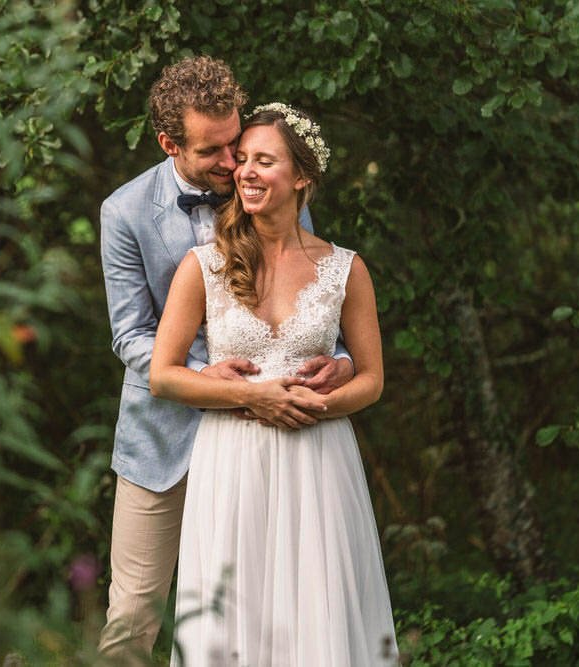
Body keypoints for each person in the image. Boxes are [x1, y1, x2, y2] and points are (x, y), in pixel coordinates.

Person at [99, 57, 355, 664]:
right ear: (169, 144)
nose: (232, 163)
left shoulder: (264, 184)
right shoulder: (125, 212)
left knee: (265, 609)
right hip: (162, 439)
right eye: (213, 151)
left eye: (236, 143)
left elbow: (310, 291)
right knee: (133, 612)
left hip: (262, 439)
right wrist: (197, 376)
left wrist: (340, 358)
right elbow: (128, 334)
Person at [149, 103, 396, 665]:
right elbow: (163, 376)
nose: (246, 172)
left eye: (265, 161)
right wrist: (248, 394)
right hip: (233, 462)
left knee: (318, 611)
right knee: (235, 618)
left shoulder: (346, 269)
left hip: (319, 461)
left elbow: (374, 380)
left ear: (302, 176)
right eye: (243, 161)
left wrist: (321, 402)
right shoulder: (204, 265)